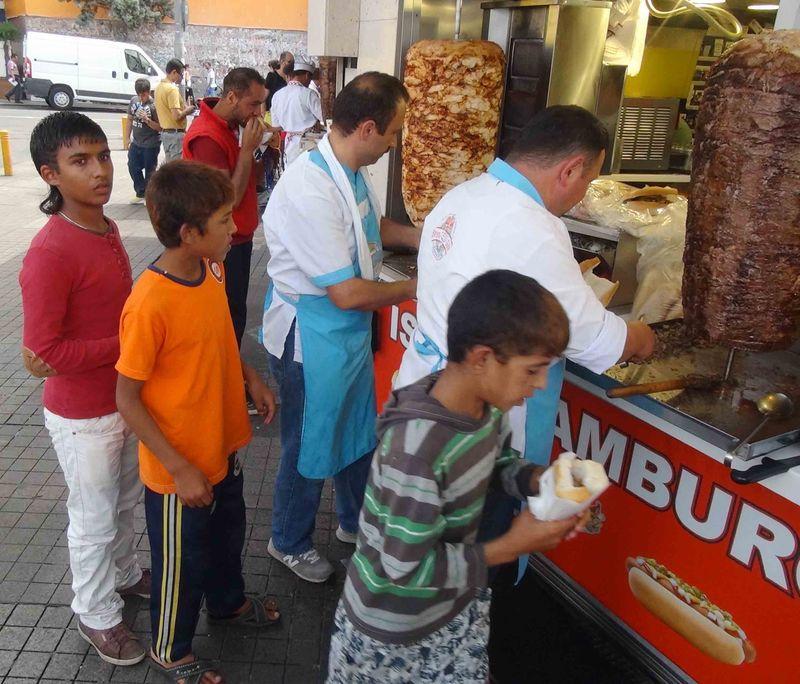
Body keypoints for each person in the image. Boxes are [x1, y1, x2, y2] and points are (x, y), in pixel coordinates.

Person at [396, 105, 656, 561]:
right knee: (463, 544)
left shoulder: (464, 195)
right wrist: (641, 337)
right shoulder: (532, 227)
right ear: (570, 169)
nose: (581, 196)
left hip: (432, 387)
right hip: (469, 418)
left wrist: (533, 479)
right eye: (587, 182)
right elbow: (593, 339)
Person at [327, 270, 587, 683]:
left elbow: (495, 465)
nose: (539, 386)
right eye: (533, 370)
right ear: (482, 358)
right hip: (393, 634)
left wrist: (543, 481)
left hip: (454, 609)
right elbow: (404, 568)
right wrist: (508, 547)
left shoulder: (487, 412)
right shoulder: (416, 450)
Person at [115, 160, 281, 684]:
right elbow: (127, 397)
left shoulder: (210, 271)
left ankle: (228, 604)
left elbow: (217, 340)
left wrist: (249, 373)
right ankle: (171, 647)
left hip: (220, 449)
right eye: (225, 221)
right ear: (190, 234)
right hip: (177, 472)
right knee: (180, 565)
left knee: (228, 537)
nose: (235, 229)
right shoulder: (149, 302)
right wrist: (178, 467)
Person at [262, 71, 420, 582]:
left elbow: (377, 228)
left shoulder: (350, 171)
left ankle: (355, 521)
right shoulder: (311, 187)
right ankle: (287, 540)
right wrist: (420, 286)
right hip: (311, 335)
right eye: (395, 133)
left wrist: (433, 236)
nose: (395, 144)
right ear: (369, 128)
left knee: (355, 430)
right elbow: (348, 293)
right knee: (310, 440)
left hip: (344, 334)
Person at [19, 112, 149, 666]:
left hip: (122, 402)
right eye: (80, 162)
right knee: (92, 517)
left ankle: (122, 575)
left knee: (124, 501)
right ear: (50, 174)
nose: (100, 171)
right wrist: (123, 346)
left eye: (103, 156)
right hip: (82, 417)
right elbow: (40, 357)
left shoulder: (108, 228)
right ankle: (96, 613)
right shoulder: (49, 253)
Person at [183, 67, 269, 348]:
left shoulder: (232, 127)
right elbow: (226, 198)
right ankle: (226, 378)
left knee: (235, 313)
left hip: (237, 238)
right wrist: (247, 150)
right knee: (227, 318)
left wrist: (265, 150)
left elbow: (250, 182)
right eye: (253, 104)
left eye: (261, 104)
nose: (258, 112)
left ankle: (231, 375)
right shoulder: (207, 137)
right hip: (221, 243)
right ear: (231, 97)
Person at [270, 60, 324, 166]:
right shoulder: (309, 94)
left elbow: (276, 126)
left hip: (289, 145)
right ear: (307, 75)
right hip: (309, 145)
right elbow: (324, 117)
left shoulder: (277, 95)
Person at [154, 58, 196, 162]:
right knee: (177, 169)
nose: (182, 78)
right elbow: (176, 116)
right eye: (181, 74)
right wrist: (189, 110)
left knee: (170, 167)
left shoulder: (159, 87)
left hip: (165, 134)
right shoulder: (172, 89)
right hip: (175, 135)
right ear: (174, 72)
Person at [127, 78, 161, 200]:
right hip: (136, 142)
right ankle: (141, 191)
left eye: (144, 95)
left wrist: (147, 120)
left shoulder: (154, 106)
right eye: (139, 95)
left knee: (149, 170)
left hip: (151, 143)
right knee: (132, 165)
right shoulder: (133, 101)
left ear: (148, 92)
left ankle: (149, 195)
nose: (141, 98)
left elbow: (160, 127)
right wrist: (127, 138)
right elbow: (129, 119)